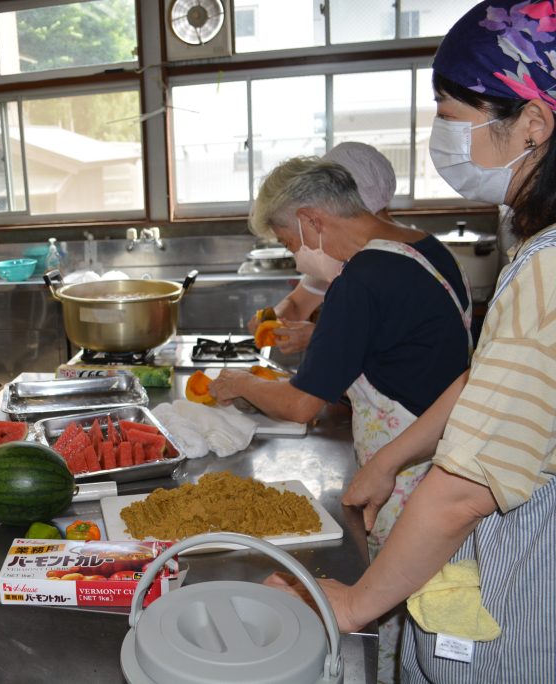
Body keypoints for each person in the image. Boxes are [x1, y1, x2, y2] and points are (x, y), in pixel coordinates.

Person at [269, 2, 556, 682]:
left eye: (450, 115)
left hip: (516, 605)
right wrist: (391, 459)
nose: (441, 135)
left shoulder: (549, 266)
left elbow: (465, 491)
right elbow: (489, 381)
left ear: (532, 125)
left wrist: (352, 604)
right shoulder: (535, 250)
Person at [209, 156, 472, 682]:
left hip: (406, 480)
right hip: (452, 448)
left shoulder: (361, 282)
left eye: (289, 241)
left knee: (405, 606)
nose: (297, 256)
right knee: (439, 597)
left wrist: (239, 383)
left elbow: (303, 403)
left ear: (310, 221)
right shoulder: (425, 246)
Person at [246, 142, 398, 354]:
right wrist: (275, 317)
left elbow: (400, 343)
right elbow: (298, 304)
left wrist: (318, 337)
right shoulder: (335, 254)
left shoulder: (399, 261)